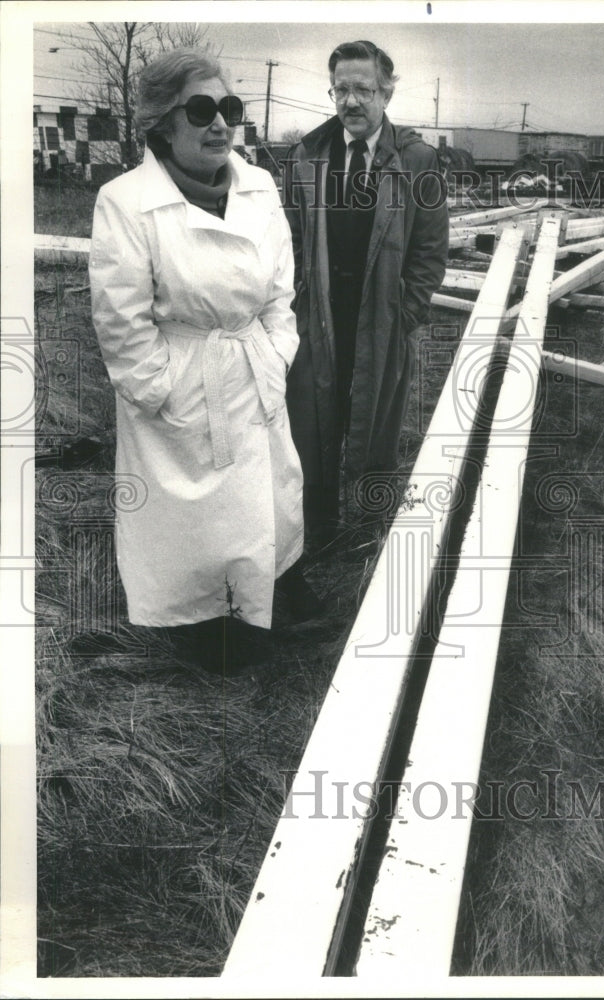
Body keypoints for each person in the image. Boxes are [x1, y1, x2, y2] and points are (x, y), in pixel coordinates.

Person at [89, 48, 317, 670]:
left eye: (230, 108)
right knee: (195, 515)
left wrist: (276, 351)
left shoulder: (259, 185)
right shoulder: (125, 200)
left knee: (270, 491)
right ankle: (201, 625)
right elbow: (120, 319)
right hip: (183, 374)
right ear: (163, 122)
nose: (221, 123)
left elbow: (281, 290)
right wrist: (159, 388)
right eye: (201, 110)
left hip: (251, 362)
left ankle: (272, 591)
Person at [282, 39, 449, 547]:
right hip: (322, 312)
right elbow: (288, 238)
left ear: (387, 92)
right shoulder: (307, 155)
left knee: (377, 419)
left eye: (364, 89)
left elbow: (429, 251)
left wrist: (407, 313)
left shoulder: (417, 160)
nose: (351, 101)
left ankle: (371, 531)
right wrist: (296, 302)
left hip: (383, 313)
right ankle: (318, 529)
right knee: (313, 419)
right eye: (342, 89)